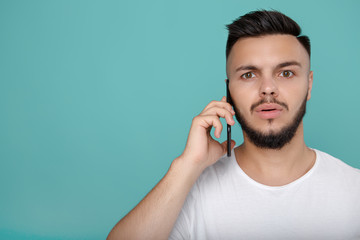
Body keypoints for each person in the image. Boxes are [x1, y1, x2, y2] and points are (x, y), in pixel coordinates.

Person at [107, 10, 360, 239]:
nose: (268, 89)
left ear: (309, 85)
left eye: (286, 73)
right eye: (248, 75)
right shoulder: (190, 192)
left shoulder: (354, 190)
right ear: (228, 91)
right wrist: (186, 166)